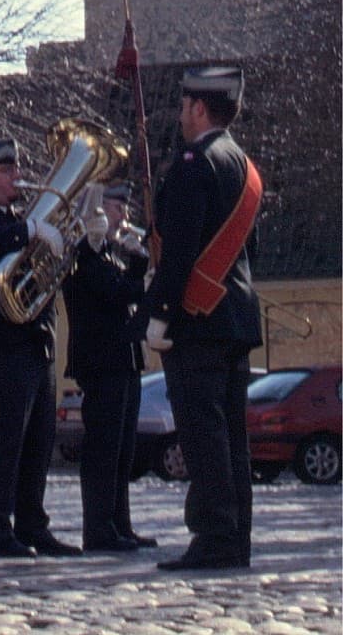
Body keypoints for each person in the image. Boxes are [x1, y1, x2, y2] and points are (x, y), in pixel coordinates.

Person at [141, 66, 263, 571]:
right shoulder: (242, 164)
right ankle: (235, 536)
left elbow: (181, 251)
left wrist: (160, 313)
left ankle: (213, 535)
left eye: (184, 106)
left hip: (197, 318)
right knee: (231, 434)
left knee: (202, 433)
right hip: (234, 315)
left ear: (198, 108)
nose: (180, 116)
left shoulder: (194, 162)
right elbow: (248, 249)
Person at [0, 136, 81, 559]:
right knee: (5, 441)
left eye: (16, 169)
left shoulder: (16, 220)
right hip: (0, 347)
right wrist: (30, 230)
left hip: (34, 343)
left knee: (38, 441)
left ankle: (31, 524)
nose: (18, 178)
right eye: (8, 171)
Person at [64, 182, 154, 553]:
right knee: (103, 448)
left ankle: (120, 523)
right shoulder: (83, 256)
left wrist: (138, 260)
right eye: (117, 208)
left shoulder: (109, 255)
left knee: (123, 449)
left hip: (124, 358)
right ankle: (98, 528)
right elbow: (120, 292)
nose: (124, 217)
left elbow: (130, 291)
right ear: (96, 212)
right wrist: (140, 267)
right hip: (101, 361)